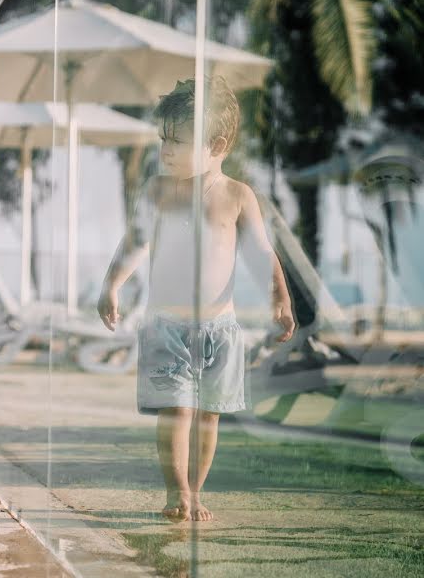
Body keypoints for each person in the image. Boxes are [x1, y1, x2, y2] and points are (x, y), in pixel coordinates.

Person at [97, 76, 294, 522]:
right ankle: (176, 491)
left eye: (177, 141)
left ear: (217, 144)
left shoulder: (237, 197)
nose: (165, 150)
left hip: (220, 330)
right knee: (177, 411)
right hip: (166, 326)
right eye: (162, 139)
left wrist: (279, 299)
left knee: (209, 416)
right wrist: (111, 285)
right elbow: (134, 243)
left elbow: (262, 253)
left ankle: (197, 492)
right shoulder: (158, 192)